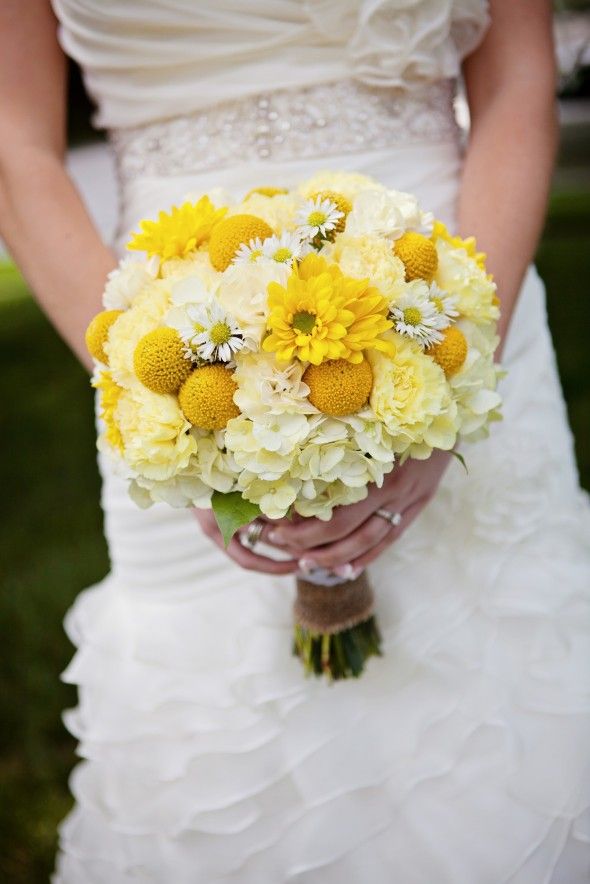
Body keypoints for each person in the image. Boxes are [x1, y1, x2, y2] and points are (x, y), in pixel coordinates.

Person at [1, 1, 589, 881]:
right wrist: (159, 383)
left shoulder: (458, 340)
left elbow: (516, 80)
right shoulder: (159, 362)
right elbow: (14, 143)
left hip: (451, 298)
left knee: (504, 707)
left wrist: (452, 384)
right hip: (165, 330)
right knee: (221, 746)